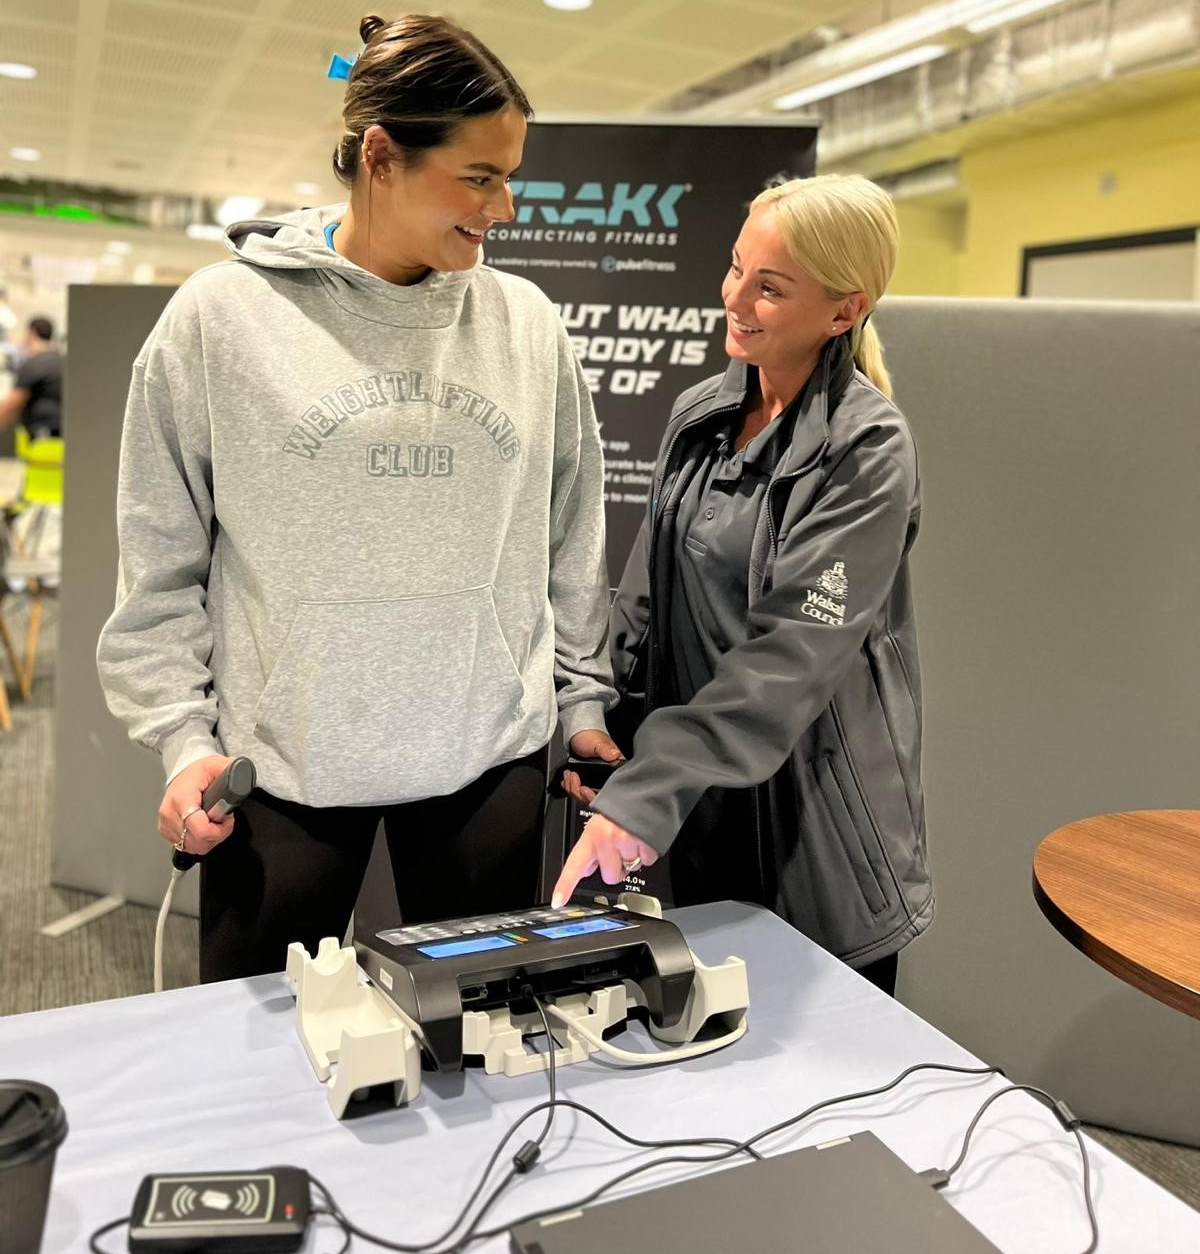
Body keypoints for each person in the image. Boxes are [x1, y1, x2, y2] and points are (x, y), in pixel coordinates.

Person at [97, 13, 621, 982]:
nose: (504, 207)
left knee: (474, 1051)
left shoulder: (526, 325)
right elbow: (160, 561)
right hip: (285, 768)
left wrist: (581, 700)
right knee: (263, 1068)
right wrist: (182, 740)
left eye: (510, 177)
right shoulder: (221, 319)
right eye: (479, 176)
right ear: (382, 156)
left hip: (485, 760)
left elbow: (569, 536)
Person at [552, 174, 932, 997]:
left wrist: (650, 789)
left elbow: (793, 653)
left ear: (843, 310)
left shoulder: (868, 449)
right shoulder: (700, 416)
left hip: (814, 831)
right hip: (700, 811)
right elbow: (645, 599)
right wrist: (608, 724)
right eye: (735, 269)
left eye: (770, 287)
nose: (736, 298)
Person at [0, 317, 63, 438]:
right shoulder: (60, 360)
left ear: (32, 333)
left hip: (41, 438)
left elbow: (12, 404)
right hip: (60, 435)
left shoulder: (35, 364)